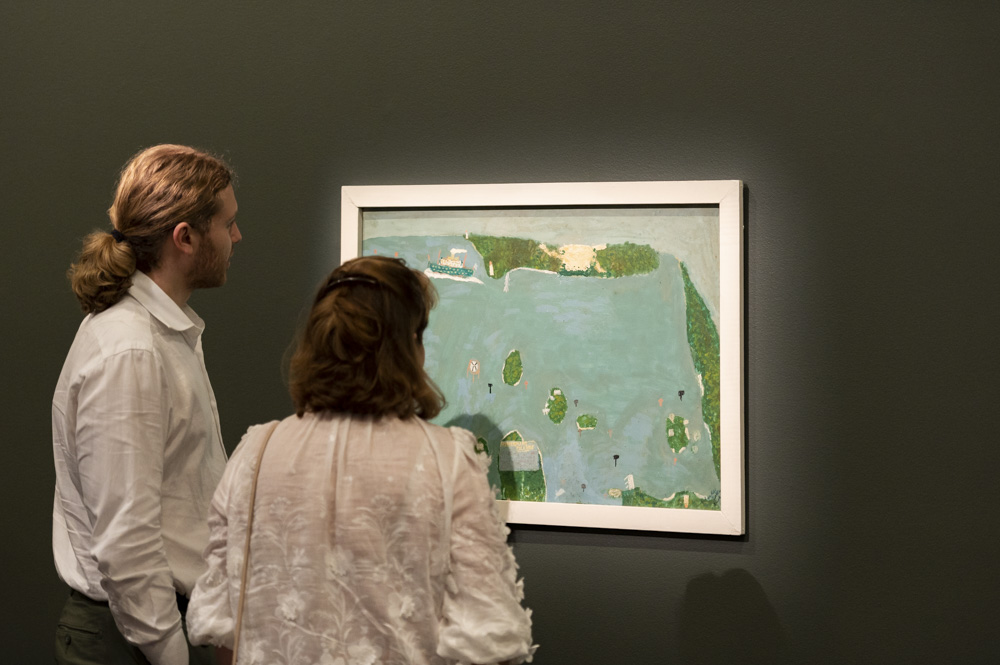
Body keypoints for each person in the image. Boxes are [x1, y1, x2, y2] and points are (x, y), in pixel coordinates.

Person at [187, 256, 536, 664]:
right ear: (410, 348)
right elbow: (487, 639)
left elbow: (224, 629)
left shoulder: (257, 452)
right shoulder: (448, 461)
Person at [52, 144, 242, 665]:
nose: (237, 238)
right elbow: (125, 538)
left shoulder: (162, 334)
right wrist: (171, 653)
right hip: (131, 638)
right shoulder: (130, 348)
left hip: (149, 628)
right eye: (228, 224)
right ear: (185, 237)